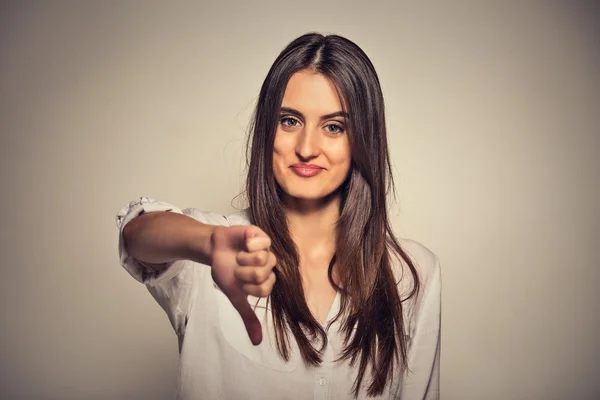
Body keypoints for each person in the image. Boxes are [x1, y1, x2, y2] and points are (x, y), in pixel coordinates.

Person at [115, 32, 440, 400]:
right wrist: (207, 243)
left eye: (334, 127)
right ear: (268, 129)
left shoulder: (413, 274)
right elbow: (135, 232)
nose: (305, 148)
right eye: (289, 121)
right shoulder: (218, 250)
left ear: (362, 140)